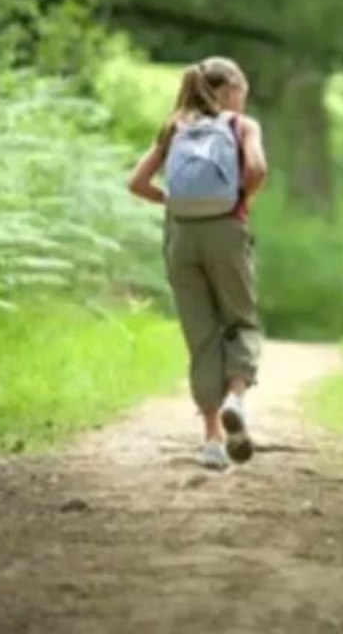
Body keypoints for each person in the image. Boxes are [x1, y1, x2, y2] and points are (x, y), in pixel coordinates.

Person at [127, 57, 267, 471]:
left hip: (182, 236)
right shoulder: (241, 125)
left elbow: (136, 182)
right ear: (231, 91)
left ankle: (211, 440)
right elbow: (257, 167)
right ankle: (237, 400)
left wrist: (172, 201)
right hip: (226, 229)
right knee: (240, 320)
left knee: (201, 334)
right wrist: (241, 197)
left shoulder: (175, 127)